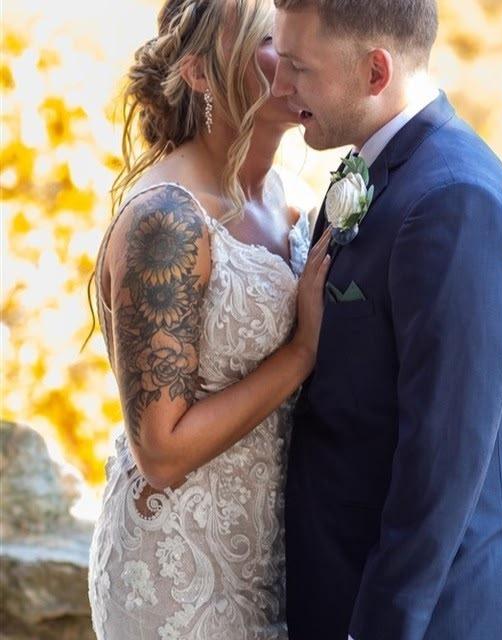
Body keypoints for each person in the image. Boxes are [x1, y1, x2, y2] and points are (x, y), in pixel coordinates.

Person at [272, 1, 502, 639]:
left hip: (442, 614)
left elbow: (442, 463)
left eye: (298, 67)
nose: (280, 85)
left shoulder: (456, 201)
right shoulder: (384, 171)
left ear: (376, 72)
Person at [87, 1, 332, 638]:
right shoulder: (166, 220)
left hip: (269, 561)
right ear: (200, 72)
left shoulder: (286, 202)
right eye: (272, 42)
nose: (299, 57)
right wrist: (300, 355)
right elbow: (161, 452)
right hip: (175, 570)